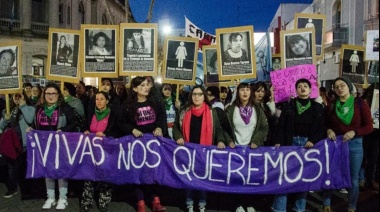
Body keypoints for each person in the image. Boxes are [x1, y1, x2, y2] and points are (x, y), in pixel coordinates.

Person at [272, 78, 325, 212]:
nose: (302, 88)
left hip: (308, 145)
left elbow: (321, 128)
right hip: (290, 144)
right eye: (299, 86)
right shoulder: (288, 106)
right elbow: (281, 127)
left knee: (303, 178)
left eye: (305, 86)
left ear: (310, 90)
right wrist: (279, 141)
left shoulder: (317, 107)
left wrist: (312, 140)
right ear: (296, 90)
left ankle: (299, 208)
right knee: (284, 177)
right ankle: (279, 208)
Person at [172, 85, 226, 212]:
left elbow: (218, 129)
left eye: (200, 94)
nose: (197, 97)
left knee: (203, 177)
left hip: (204, 152)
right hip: (188, 152)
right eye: (194, 94)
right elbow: (175, 127)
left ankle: (202, 203)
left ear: (204, 97)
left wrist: (221, 140)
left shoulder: (211, 111)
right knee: (189, 177)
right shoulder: (184, 110)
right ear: (191, 96)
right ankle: (189, 202)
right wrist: (178, 136)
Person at [323, 77, 373, 212]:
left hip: (354, 145)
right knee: (331, 174)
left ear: (349, 87)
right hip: (336, 143)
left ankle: (351, 207)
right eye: (336, 86)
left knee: (353, 179)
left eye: (342, 85)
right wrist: (328, 129)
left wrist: (355, 132)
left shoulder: (360, 103)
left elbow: (369, 127)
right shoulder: (332, 105)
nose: (339, 88)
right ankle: (326, 204)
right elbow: (325, 123)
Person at [117, 76, 167, 212]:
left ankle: (155, 201)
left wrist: (159, 127)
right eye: (142, 86)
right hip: (137, 145)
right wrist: (132, 129)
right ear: (134, 89)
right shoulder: (127, 106)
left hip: (152, 145)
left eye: (147, 85)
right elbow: (120, 122)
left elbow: (161, 117)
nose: (146, 87)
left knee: (153, 172)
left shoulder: (154, 102)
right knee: (138, 172)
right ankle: (140, 202)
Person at [28, 82, 78, 210]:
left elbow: (74, 123)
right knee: (47, 170)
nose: (50, 96)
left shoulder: (65, 108)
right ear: (44, 95)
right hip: (44, 145)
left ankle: (63, 197)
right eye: (48, 93)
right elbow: (36, 125)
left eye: (53, 93)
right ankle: (50, 197)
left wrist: (63, 129)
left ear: (58, 95)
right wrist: (31, 129)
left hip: (61, 145)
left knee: (61, 170)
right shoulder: (39, 109)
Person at [223, 82, 269, 212]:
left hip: (252, 150)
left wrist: (256, 140)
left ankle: (249, 203)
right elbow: (225, 129)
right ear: (237, 92)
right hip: (236, 150)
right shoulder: (231, 109)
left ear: (251, 92)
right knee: (238, 178)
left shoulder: (258, 109)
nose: (245, 92)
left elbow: (264, 128)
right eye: (242, 89)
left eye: (247, 90)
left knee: (251, 177)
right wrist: (229, 140)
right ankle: (238, 203)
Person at [80, 91, 120, 212]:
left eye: (102, 99)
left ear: (107, 101)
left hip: (106, 151)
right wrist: (86, 130)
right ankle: (86, 201)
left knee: (105, 175)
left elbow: (117, 130)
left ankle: (103, 200)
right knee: (89, 175)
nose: (99, 101)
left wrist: (106, 134)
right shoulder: (91, 113)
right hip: (91, 150)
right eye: (97, 99)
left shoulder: (112, 114)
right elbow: (84, 125)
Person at [0, 92, 35, 198]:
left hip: (24, 142)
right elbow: (1, 126)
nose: (17, 98)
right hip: (12, 144)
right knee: (11, 167)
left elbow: (29, 119)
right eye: (14, 96)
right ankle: (12, 188)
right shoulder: (7, 109)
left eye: (19, 96)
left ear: (23, 96)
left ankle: (27, 190)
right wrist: (6, 118)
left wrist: (23, 106)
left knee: (25, 167)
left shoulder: (30, 108)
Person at [251, 82, 278, 146]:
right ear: (253, 92)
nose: (260, 94)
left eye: (263, 91)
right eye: (258, 91)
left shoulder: (266, 105)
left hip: (267, 138)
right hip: (255, 139)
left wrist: (272, 99)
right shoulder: (250, 106)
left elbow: (274, 114)